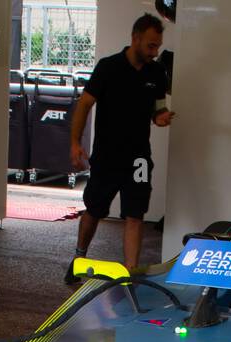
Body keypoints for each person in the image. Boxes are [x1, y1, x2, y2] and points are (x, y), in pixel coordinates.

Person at [65, 13, 174, 284]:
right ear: (135, 39)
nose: (154, 51)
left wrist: (160, 118)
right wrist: (75, 143)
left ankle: (128, 273)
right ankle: (79, 258)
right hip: (107, 156)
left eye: (157, 46)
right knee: (94, 210)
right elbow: (84, 105)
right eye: (150, 45)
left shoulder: (156, 72)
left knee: (135, 214)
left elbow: (158, 110)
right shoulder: (108, 67)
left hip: (139, 159)